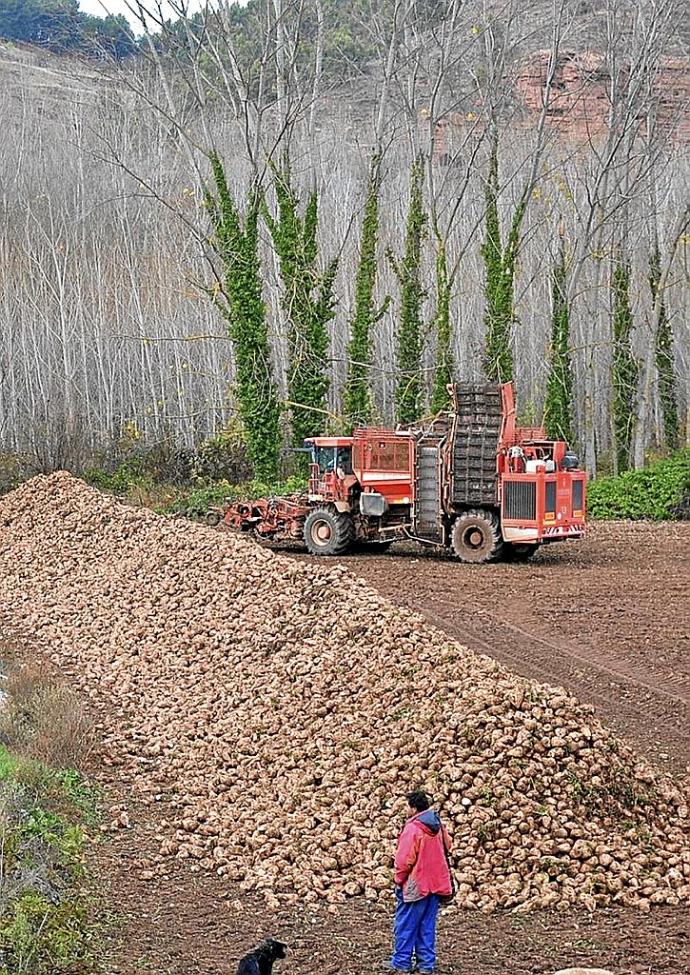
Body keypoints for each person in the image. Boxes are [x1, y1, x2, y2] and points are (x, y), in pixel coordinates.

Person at [390, 790, 452, 975]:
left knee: (406, 924)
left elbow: (404, 860)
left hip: (417, 884)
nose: (404, 809)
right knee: (427, 925)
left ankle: (401, 962)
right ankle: (426, 964)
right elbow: (448, 845)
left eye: (406, 806)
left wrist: (398, 880)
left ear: (414, 808)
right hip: (437, 883)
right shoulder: (437, 825)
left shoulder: (413, 828)